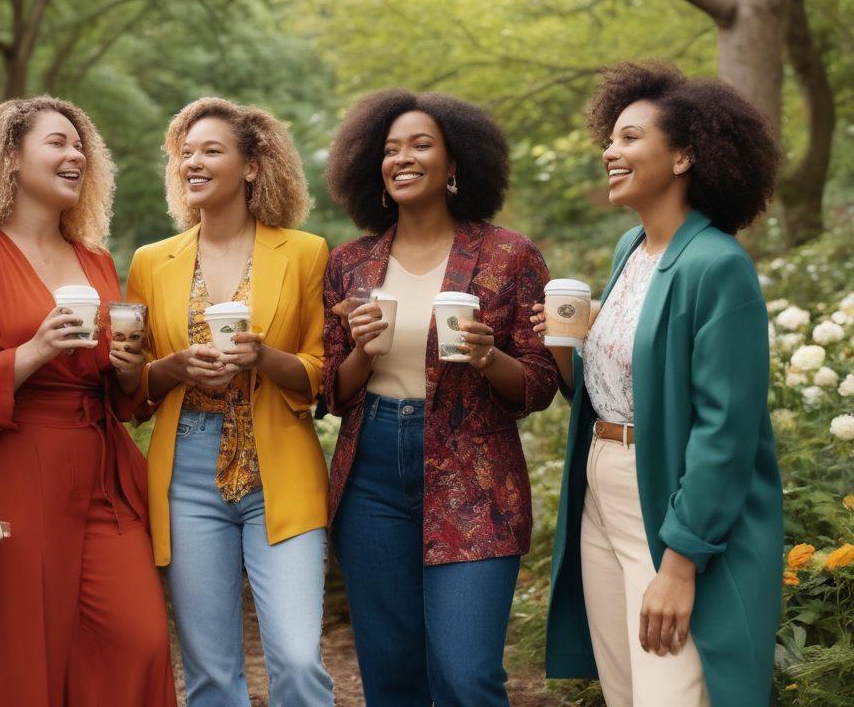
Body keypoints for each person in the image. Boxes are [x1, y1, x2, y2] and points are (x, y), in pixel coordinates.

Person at [539, 61, 784, 707]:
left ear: (682, 157)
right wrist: (572, 346)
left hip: (667, 502)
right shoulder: (631, 250)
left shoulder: (718, 266)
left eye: (628, 138)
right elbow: (615, 387)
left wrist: (679, 565)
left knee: (670, 694)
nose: (608, 151)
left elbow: (724, 434)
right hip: (602, 487)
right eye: (610, 138)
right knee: (625, 693)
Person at [0, 96, 176, 706]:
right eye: (57, 143)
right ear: (9, 157)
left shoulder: (95, 259)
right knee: (22, 652)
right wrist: (32, 353)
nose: (75, 154)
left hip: (100, 470)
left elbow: (124, 399)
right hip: (8, 469)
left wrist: (127, 370)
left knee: (139, 638)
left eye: (80, 144)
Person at [322, 89, 559, 706]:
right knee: (392, 673)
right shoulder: (351, 264)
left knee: (465, 674)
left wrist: (488, 357)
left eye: (421, 144)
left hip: (475, 471)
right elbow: (330, 390)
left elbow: (540, 382)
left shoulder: (509, 255)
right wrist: (360, 351)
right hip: (371, 473)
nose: (402, 157)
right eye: (390, 148)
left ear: (454, 164)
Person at [126, 97, 334, 706]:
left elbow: (323, 375)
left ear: (251, 166)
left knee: (297, 659)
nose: (193, 162)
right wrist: (170, 368)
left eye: (211, 150)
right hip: (186, 470)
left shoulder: (304, 253)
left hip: (281, 466)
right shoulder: (150, 263)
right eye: (185, 153)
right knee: (211, 671)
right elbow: (131, 388)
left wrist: (264, 357)